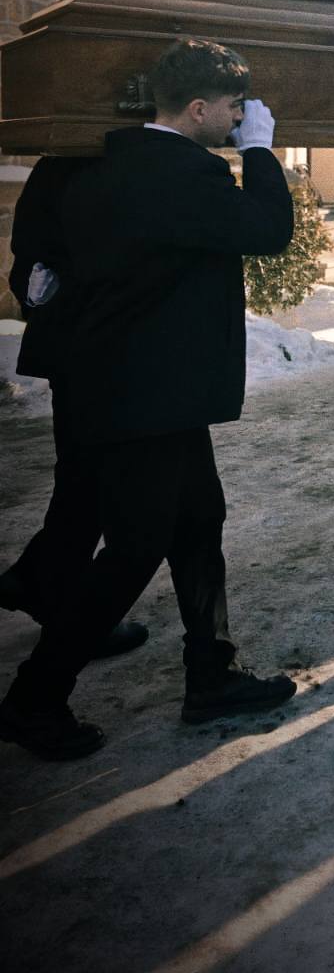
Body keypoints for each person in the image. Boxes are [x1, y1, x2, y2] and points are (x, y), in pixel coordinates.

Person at [0, 39, 298, 760]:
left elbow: (48, 251)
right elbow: (269, 231)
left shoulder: (100, 162)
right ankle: (35, 698)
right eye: (232, 108)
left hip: (131, 386)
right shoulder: (180, 175)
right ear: (196, 108)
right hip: (146, 393)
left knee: (199, 518)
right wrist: (261, 153)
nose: (238, 118)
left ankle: (211, 672)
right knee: (136, 547)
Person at [0, 156, 149, 659]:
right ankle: (55, 596)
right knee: (98, 483)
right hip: (98, 349)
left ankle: (40, 582)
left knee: (84, 478)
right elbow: (36, 260)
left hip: (82, 348)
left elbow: (29, 262)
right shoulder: (96, 169)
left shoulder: (60, 168)